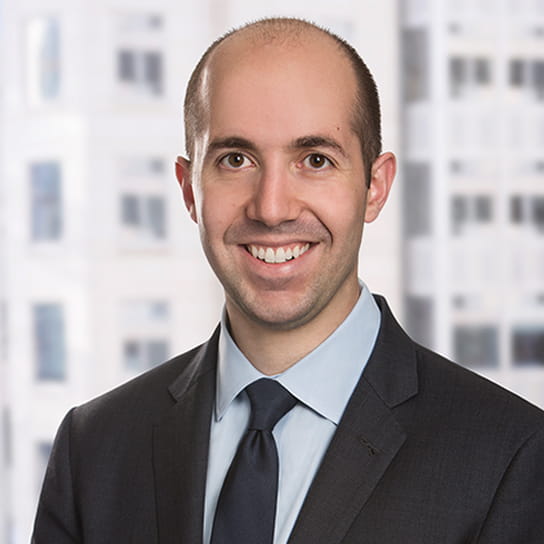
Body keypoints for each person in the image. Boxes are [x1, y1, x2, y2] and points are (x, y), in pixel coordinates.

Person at [33, 17, 544, 544]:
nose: (272, 208)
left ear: (375, 186)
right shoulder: (92, 450)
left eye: (315, 160)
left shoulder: (511, 458)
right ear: (189, 190)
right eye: (236, 160)